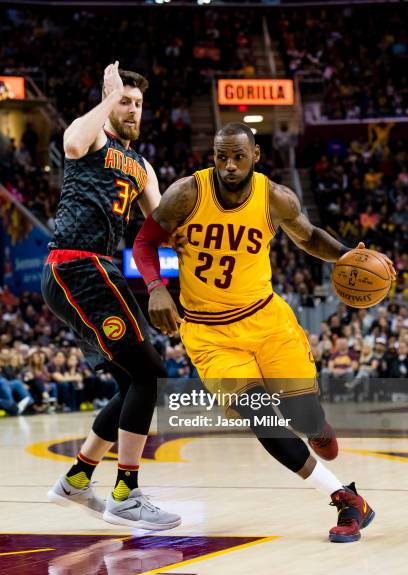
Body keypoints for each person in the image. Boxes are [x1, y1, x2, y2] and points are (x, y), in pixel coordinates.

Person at [134, 122, 396, 542]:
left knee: (303, 417)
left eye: (238, 156)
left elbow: (309, 237)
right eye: (222, 156)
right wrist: (155, 287)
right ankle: (346, 499)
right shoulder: (187, 192)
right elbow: (144, 242)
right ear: (213, 157)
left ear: (255, 156)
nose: (230, 165)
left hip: (266, 320)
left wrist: (347, 254)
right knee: (264, 420)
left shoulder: (275, 197)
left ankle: (315, 425)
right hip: (208, 333)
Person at [42, 61, 180, 530]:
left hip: (99, 273)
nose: (133, 110)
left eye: (139, 104)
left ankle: (78, 478)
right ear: (109, 103)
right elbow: (73, 142)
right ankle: (126, 491)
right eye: (126, 101)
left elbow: (162, 224)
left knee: (133, 381)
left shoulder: (142, 167)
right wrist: (107, 97)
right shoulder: (94, 137)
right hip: (77, 264)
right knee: (151, 373)